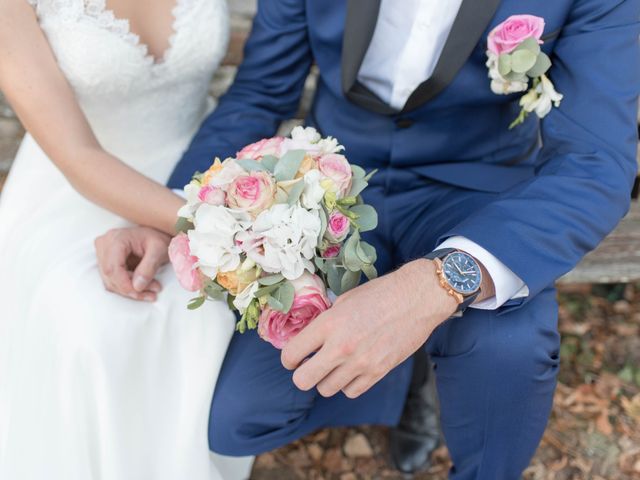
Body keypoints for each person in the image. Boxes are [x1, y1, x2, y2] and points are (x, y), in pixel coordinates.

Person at [95, 0, 640, 478]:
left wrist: (434, 285)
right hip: (333, 184)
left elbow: (595, 163)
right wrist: (173, 210)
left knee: (508, 353)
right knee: (234, 419)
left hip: (477, 186)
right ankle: (406, 376)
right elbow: (260, 92)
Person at [0, 1, 252, 478]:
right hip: (75, 187)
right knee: (94, 320)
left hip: (196, 170)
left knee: (207, 311)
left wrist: (217, 208)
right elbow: (76, 155)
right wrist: (229, 228)